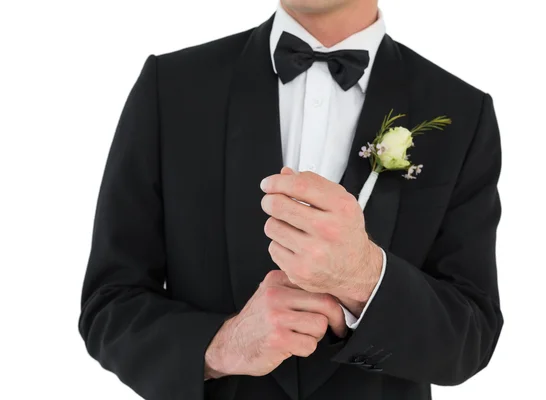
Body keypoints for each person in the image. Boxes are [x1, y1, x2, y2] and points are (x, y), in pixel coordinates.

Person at [78, 0, 504, 399]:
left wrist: (364, 278)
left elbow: (472, 336)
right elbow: (109, 305)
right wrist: (222, 345)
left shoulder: (463, 113)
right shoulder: (170, 87)